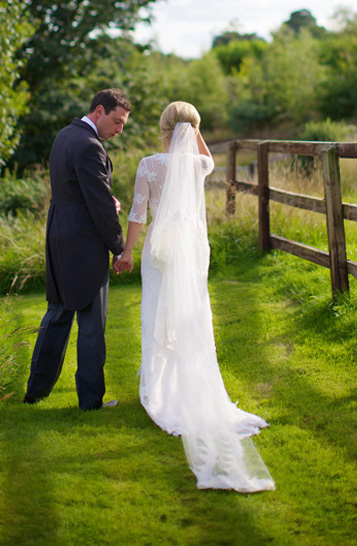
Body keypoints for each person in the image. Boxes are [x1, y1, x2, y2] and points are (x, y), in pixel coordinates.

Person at [115, 101, 275, 492]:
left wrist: (126, 251)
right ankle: (187, 386)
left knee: (157, 313)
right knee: (190, 313)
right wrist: (194, 127)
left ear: (162, 128)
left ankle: (161, 390)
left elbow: (138, 214)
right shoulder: (199, 166)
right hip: (191, 248)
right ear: (194, 129)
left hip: (160, 250)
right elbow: (204, 155)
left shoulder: (149, 165)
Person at [24, 89, 131, 410]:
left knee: (57, 314)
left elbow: (75, 188)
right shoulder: (89, 146)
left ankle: (35, 391)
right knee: (91, 324)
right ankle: (90, 401)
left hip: (59, 235)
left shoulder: (65, 136)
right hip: (84, 243)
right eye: (117, 121)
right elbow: (99, 205)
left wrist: (102, 199)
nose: (119, 130)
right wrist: (119, 248)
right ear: (99, 111)